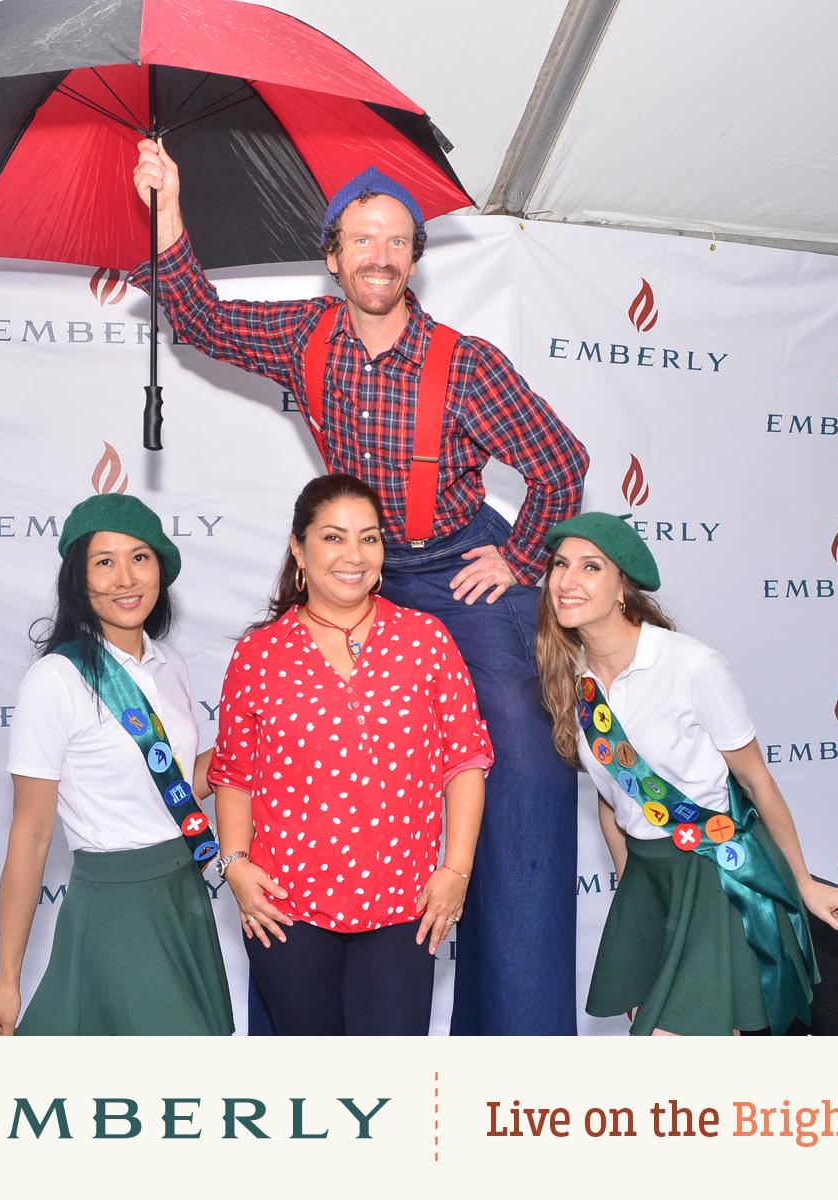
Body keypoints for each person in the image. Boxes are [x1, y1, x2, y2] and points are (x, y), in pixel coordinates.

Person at [132, 142, 587, 1035]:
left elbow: (561, 464)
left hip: (458, 572)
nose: (380, 256)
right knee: (305, 756)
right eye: (361, 240)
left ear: (414, 259)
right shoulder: (302, 335)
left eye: (397, 242)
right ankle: (304, 1001)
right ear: (332, 257)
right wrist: (169, 208)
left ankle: (515, 1042)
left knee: (527, 775)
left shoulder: (468, 363)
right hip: (359, 567)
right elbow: (200, 321)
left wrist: (519, 556)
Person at [536, 512, 838, 1035]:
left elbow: (757, 782)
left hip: (714, 873)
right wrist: (630, 892)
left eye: (591, 568)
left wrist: (804, 881)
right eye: (559, 565)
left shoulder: (691, 665)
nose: (568, 581)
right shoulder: (578, 684)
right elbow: (611, 797)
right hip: (649, 877)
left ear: (623, 588)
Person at [208, 473, 490, 1035]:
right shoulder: (259, 653)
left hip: (404, 904)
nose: (353, 555)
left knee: (388, 1088)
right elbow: (235, 772)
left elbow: (465, 761)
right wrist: (235, 865)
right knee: (314, 1090)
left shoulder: (425, 639)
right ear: (299, 550)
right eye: (334, 538)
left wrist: (456, 870)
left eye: (369, 538)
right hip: (285, 906)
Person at [0, 493, 232, 1036]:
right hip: (116, 903)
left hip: (181, 891)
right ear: (79, 578)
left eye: (140, 557)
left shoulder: (170, 665)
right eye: (104, 562)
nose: (125, 578)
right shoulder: (56, 680)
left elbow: (174, 786)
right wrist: (6, 980)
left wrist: (254, 748)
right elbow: (31, 835)